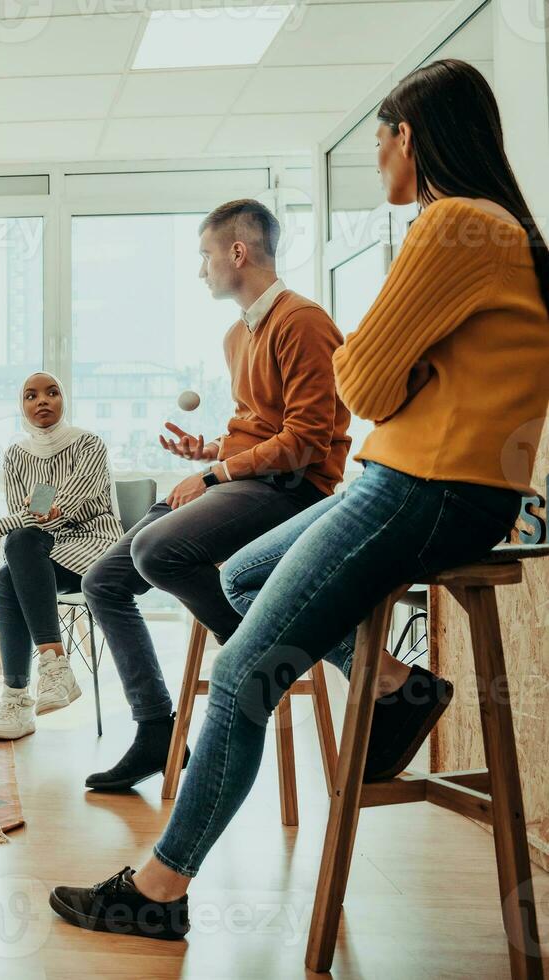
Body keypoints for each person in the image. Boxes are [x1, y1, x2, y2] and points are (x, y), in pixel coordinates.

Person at [50, 58, 549, 941]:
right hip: (440, 484)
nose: (377, 159)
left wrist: (396, 377)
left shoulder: (454, 225)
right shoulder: (501, 229)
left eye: (380, 141)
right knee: (240, 578)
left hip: (424, 485)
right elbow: (388, 384)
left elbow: (359, 384)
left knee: (242, 670)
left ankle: (160, 889)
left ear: (411, 138)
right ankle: (391, 685)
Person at [79, 198, 354, 791]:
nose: (201, 270)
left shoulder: (302, 322)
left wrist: (213, 476)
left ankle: (258, 658)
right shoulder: (238, 335)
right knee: (102, 581)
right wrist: (210, 453)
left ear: (238, 251)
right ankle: (156, 731)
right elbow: (258, 427)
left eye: (205, 255)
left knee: (158, 553)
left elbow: (305, 442)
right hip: (248, 480)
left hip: (294, 489)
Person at [0, 372, 122, 740]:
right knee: (8, 567)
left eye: (52, 392)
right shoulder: (17, 454)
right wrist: (34, 515)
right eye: (31, 396)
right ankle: (19, 697)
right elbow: (33, 519)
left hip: (95, 547)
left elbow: (64, 505)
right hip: (46, 551)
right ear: (22, 406)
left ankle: (47, 673)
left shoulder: (88, 444)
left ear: (64, 400)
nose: (42, 401)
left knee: (15, 552)